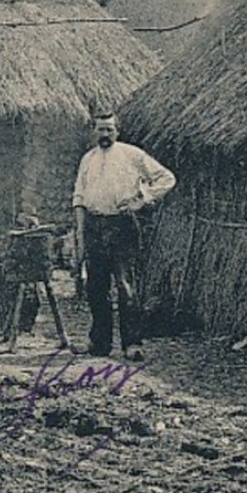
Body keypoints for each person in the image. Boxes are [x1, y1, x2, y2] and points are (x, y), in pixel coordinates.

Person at [71, 111, 175, 361]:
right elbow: (79, 197)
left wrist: (142, 200)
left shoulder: (132, 155)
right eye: (100, 129)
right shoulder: (88, 159)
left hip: (122, 226)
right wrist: (80, 232)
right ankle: (100, 343)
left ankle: (132, 343)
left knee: (125, 287)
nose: (104, 134)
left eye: (109, 129)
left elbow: (166, 178)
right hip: (95, 225)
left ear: (117, 131)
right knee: (96, 287)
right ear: (94, 132)